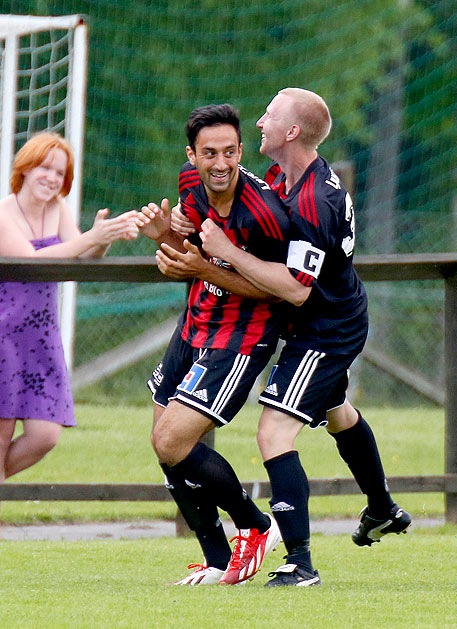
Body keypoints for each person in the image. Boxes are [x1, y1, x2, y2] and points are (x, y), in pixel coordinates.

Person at [184, 88, 411, 587]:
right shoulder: (281, 177)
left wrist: (224, 251)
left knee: (273, 433)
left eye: (269, 115)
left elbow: (295, 289)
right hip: (319, 318)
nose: (259, 121)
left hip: (324, 327)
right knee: (338, 413)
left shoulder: (314, 199)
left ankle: (300, 563)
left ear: (291, 132)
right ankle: (383, 508)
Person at [139, 104, 289, 586]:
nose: (220, 163)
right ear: (193, 155)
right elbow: (189, 257)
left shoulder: (265, 213)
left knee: (173, 439)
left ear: (241, 151)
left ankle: (255, 524)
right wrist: (165, 240)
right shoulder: (188, 185)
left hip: (241, 336)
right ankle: (219, 561)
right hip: (194, 325)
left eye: (229, 152)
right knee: (164, 444)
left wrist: (204, 268)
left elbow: (279, 288)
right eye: (209, 153)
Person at [0, 132, 139, 487]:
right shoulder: (3, 214)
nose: (51, 177)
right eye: (44, 167)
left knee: (45, 436)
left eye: (59, 173)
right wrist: (89, 239)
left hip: (41, 338)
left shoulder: (58, 210)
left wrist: (102, 238)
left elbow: (80, 254)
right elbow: (30, 263)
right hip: (4, 338)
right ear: (26, 168)